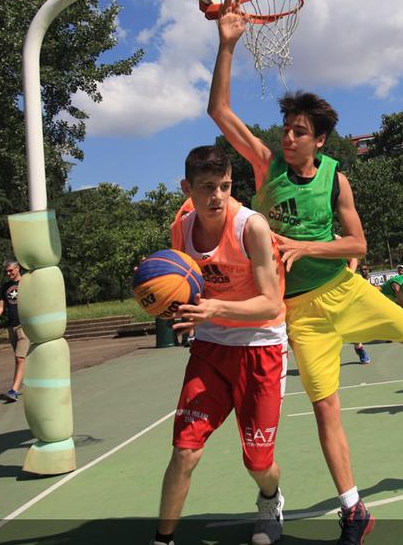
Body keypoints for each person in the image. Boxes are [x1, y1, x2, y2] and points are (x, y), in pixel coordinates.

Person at [206, 0, 403, 544]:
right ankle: (354, 511)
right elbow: (219, 112)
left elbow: (357, 242)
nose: (288, 137)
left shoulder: (337, 179)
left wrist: (305, 248)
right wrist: (227, 43)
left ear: (319, 140)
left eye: (299, 131)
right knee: (326, 410)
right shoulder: (265, 166)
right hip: (301, 314)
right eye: (286, 128)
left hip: (344, 289)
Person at [153, 146, 288, 545]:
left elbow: (271, 303)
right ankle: (163, 539)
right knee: (185, 449)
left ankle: (271, 499)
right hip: (211, 348)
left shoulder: (251, 227)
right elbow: (184, 284)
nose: (218, 196)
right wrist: (164, 297)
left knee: (258, 463)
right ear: (187, 188)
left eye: (225, 186)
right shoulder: (182, 229)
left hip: (261, 345)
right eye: (207, 187)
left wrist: (215, 308)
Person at [0, 260, 28, 402]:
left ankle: (14, 390)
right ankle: (31, 383)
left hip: (25, 326)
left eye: (11, 270)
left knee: (20, 358)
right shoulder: (6, 287)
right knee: (20, 359)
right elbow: (1, 305)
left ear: (18, 268)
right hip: (12, 326)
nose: (8, 273)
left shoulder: (27, 282)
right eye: (6, 272)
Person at [344, 246, 370, 365]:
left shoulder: (334, 240)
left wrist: (350, 273)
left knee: (353, 327)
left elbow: (353, 258)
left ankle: (359, 348)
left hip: (345, 298)